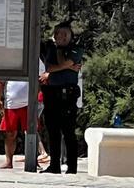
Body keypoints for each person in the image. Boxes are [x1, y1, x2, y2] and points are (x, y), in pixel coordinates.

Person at [39, 23, 82, 174]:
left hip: (67, 95)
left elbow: (63, 63)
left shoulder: (76, 49)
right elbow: (50, 67)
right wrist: (66, 67)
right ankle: (54, 166)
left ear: (71, 35)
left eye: (66, 34)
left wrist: (64, 66)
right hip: (51, 93)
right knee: (53, 131)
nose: (62, 37)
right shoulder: (50, 48)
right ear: (55, 35)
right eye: (59, 34)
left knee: (69, 132)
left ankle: (72, 168)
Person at [0, 59, 46, 169]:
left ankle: (33, 160)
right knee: (10, 134)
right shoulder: (8, 61)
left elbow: (42, 76)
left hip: (30, 103)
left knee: (32, 132)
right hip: (11, 104)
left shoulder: (34, 57)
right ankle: (8, 161)